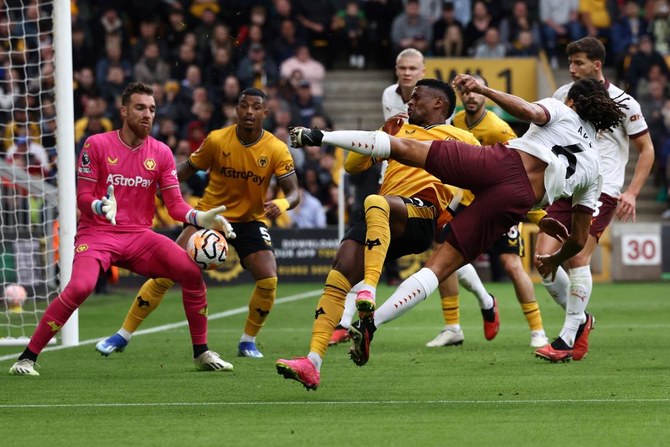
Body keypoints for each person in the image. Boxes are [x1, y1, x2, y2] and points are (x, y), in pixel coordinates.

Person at [289, 74, 627, 369]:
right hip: (517, 200)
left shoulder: (562, 111)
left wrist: (486, 89)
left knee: (407, 148)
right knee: (439, 268)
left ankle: (320, 137)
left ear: (572, 100)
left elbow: (528, 111)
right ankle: (372, 324)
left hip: (501, 163)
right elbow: (580, 238)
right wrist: (554, 258)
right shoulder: (596, 167)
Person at [9, 82, 235, 376]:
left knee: (192, 274)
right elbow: (83, 196)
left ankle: (201, 352)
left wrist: (199, 218)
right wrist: (100, 207)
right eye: (141, 108)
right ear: (124, 111)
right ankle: (26, 358)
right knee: (80, 287)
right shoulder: (97, 144)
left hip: (140, 237)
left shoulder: (162, 153)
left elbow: (175, 205)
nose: (147, 115)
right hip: (98, 234)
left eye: (152, 109)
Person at [275, 79, 480, 390]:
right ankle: (312, 362)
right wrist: (382, 131)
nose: (408, 104)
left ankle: (368, 290)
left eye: (416, 98)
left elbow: (482, 179)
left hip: (419, 214)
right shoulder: (398, 129)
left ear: (439, 104)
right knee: (339, 271)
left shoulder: (462, 138)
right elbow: (354, 166)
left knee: (375, 201)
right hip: (382, 217)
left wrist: (458, 215)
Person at [95, 88, 300, 360]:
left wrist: (282, 204)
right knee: (166, 270)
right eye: (243, 106)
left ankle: (248, 341)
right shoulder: (217, 140)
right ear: (236, 110)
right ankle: (122, 335)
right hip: (210, 215)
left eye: (255, 107)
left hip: (250, 220)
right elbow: (187, 168)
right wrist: (156, 184)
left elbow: (295, 193)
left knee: (269, 279)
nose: (249, 112)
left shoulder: (276, 148)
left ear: (265, 112)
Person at [534, 36, 654, 362]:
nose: (572, 69)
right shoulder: (564, 96)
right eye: (570, 63)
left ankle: (565, 338)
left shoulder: (624, 102)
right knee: (543, 262)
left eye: (578, 63)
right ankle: (582, 319)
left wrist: (632, 191)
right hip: (565, 184)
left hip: (602, 187)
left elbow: (647, 150)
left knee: (576, 258)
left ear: (596, 65)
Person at [426, 74, 550, 349]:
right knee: (443, 261)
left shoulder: (498, 128)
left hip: (500, 205)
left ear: (484, 94)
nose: (470, 96)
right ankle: (452, 327)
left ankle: (537, 330)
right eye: (464, 92)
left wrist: (530, 211)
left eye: (474, 91)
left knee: (511, 265)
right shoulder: (454, 123)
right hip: (469, 204)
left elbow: (523, 166)